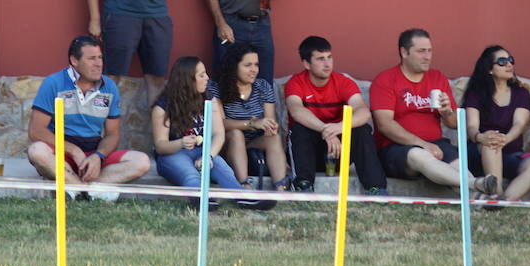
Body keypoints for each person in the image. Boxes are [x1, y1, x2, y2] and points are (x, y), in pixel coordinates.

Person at [370, 28, 497, 194]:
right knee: (419, 155)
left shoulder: (437, 78)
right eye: (421, 51)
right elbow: (385, 125)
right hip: (396, 148)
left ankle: (478, 200)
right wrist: (423, 145)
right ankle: (475, 183)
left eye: (430, 51)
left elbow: (454, 124)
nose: (428, 56)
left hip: (436, 142)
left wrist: (447, 112)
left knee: (458, 164)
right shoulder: (385, 79)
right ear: (404, 52)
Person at [26, 35, 151, 201]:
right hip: (62, 152)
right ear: (74, 61)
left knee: (142, 162)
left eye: (100, 58)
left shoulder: (110, 87)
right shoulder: (53, 83)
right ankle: (91, 190)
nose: (99, 63)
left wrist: (98, 157)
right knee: (37, 151)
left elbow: (112, 134)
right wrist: (74, 151)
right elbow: (36, 131)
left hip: (93, 150)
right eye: (92, 58)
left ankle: (74, 187)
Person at [152, 56, 273, 210]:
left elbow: (218, 133)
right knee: (190, 175)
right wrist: (181, 142)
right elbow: (161, 146)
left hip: (202, 150)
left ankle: (243, 198)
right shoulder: (163, 106)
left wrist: (208, 155)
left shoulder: (209, 99)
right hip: (173, 153)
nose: (207, 78)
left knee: (224, 171)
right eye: (201, 75)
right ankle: (202, 200)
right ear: (188, 80)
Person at [285, 36, 387, 194]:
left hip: (338, 151)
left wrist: (339, 128)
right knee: (299, 128)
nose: (327, 64)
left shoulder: (343, 82)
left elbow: (363, 111)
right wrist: (326, 131)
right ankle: (303, 184)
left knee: (362, 129)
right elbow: (296, 110)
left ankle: (376, 187)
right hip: (309, 153)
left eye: (329, 57)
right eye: (320, 59)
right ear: (306, 64)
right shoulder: (296, 82)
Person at [462, 46, 530, 201]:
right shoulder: (476, 93)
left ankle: (504, 200)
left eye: (510, 60)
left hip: (510, 154)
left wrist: (505, 139)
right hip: (480, 153)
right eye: (502, 61)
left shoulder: (521, 93)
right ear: (489, 69)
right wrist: (482, 137)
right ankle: (496, 192)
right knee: (491, 143)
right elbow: (471, 126)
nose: (509, 65)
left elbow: (519, 124)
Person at [208, 42, 290, 191]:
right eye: (248, 65)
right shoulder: (216, 87)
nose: (254, 70)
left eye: (256, 65)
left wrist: (270, 127)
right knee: (235, 134)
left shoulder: (263, 86)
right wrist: (252, 123)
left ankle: (281, 187)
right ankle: (244, 185)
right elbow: (220, 124)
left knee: (273, 137)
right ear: (234, 66)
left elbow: (270, 120)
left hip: (253, 144)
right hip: (225, 145)